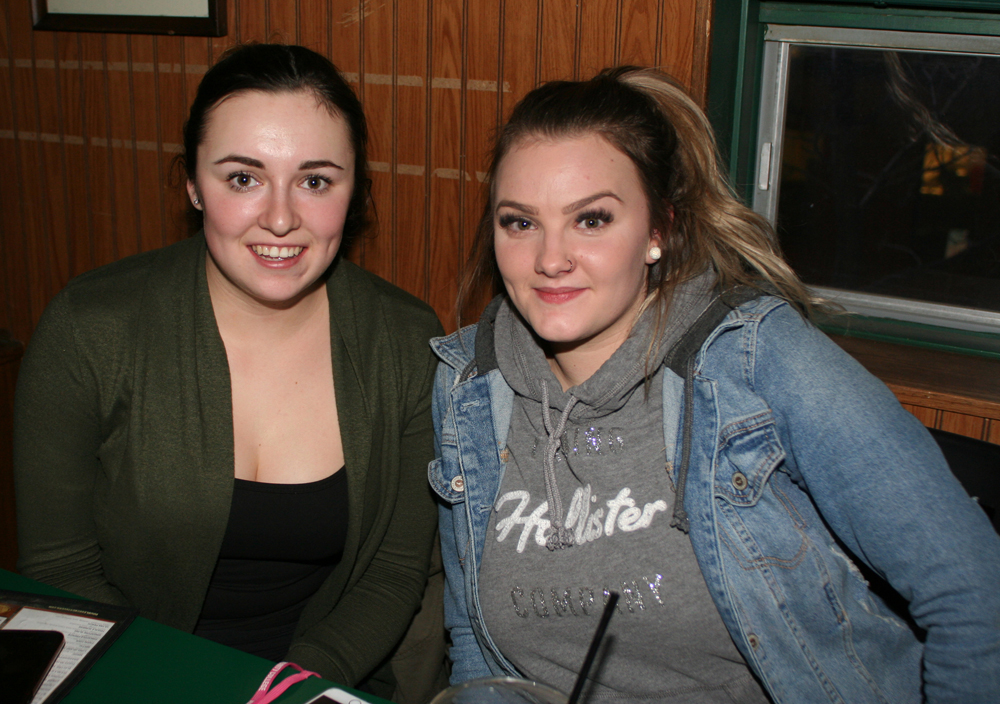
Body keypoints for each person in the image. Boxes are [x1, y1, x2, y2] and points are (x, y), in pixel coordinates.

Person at [429, 66, 1000, 703]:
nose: (550, 258)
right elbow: (475, 644)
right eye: (520, 222)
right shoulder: (468, 387)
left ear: (658, 231)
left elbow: (976, 595)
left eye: (591, 220)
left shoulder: (757, 361)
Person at [14, 43, 445, 698]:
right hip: (131, 674)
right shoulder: (89, 329)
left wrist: (287, 686)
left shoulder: (408, 342)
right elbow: (60, 569)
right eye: (243, 178)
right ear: (192, 183)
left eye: (315, 180)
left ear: (353, 190)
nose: (279, 217)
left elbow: (392, 571)